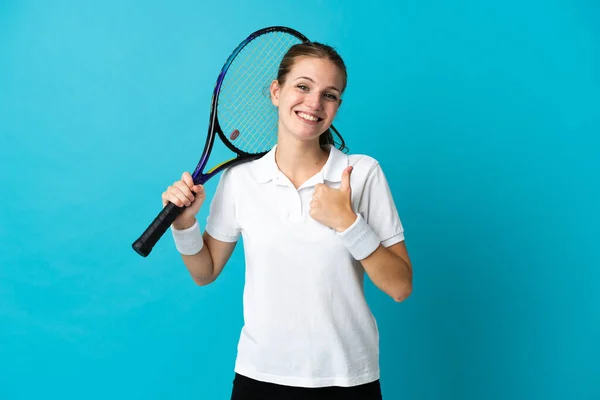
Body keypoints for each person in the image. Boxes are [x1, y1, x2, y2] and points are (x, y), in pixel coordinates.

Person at [162, 41, 413, 400]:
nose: (314, 103)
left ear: (337, 107)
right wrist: (184, 224)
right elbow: (205, 272)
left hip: (348, 380)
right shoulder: (240, 179)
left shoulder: (361, 173)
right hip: (259, 379)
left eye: (330, 94)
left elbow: (400, 287)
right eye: (303, 86)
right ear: (276, 92)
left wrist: (348, 222)